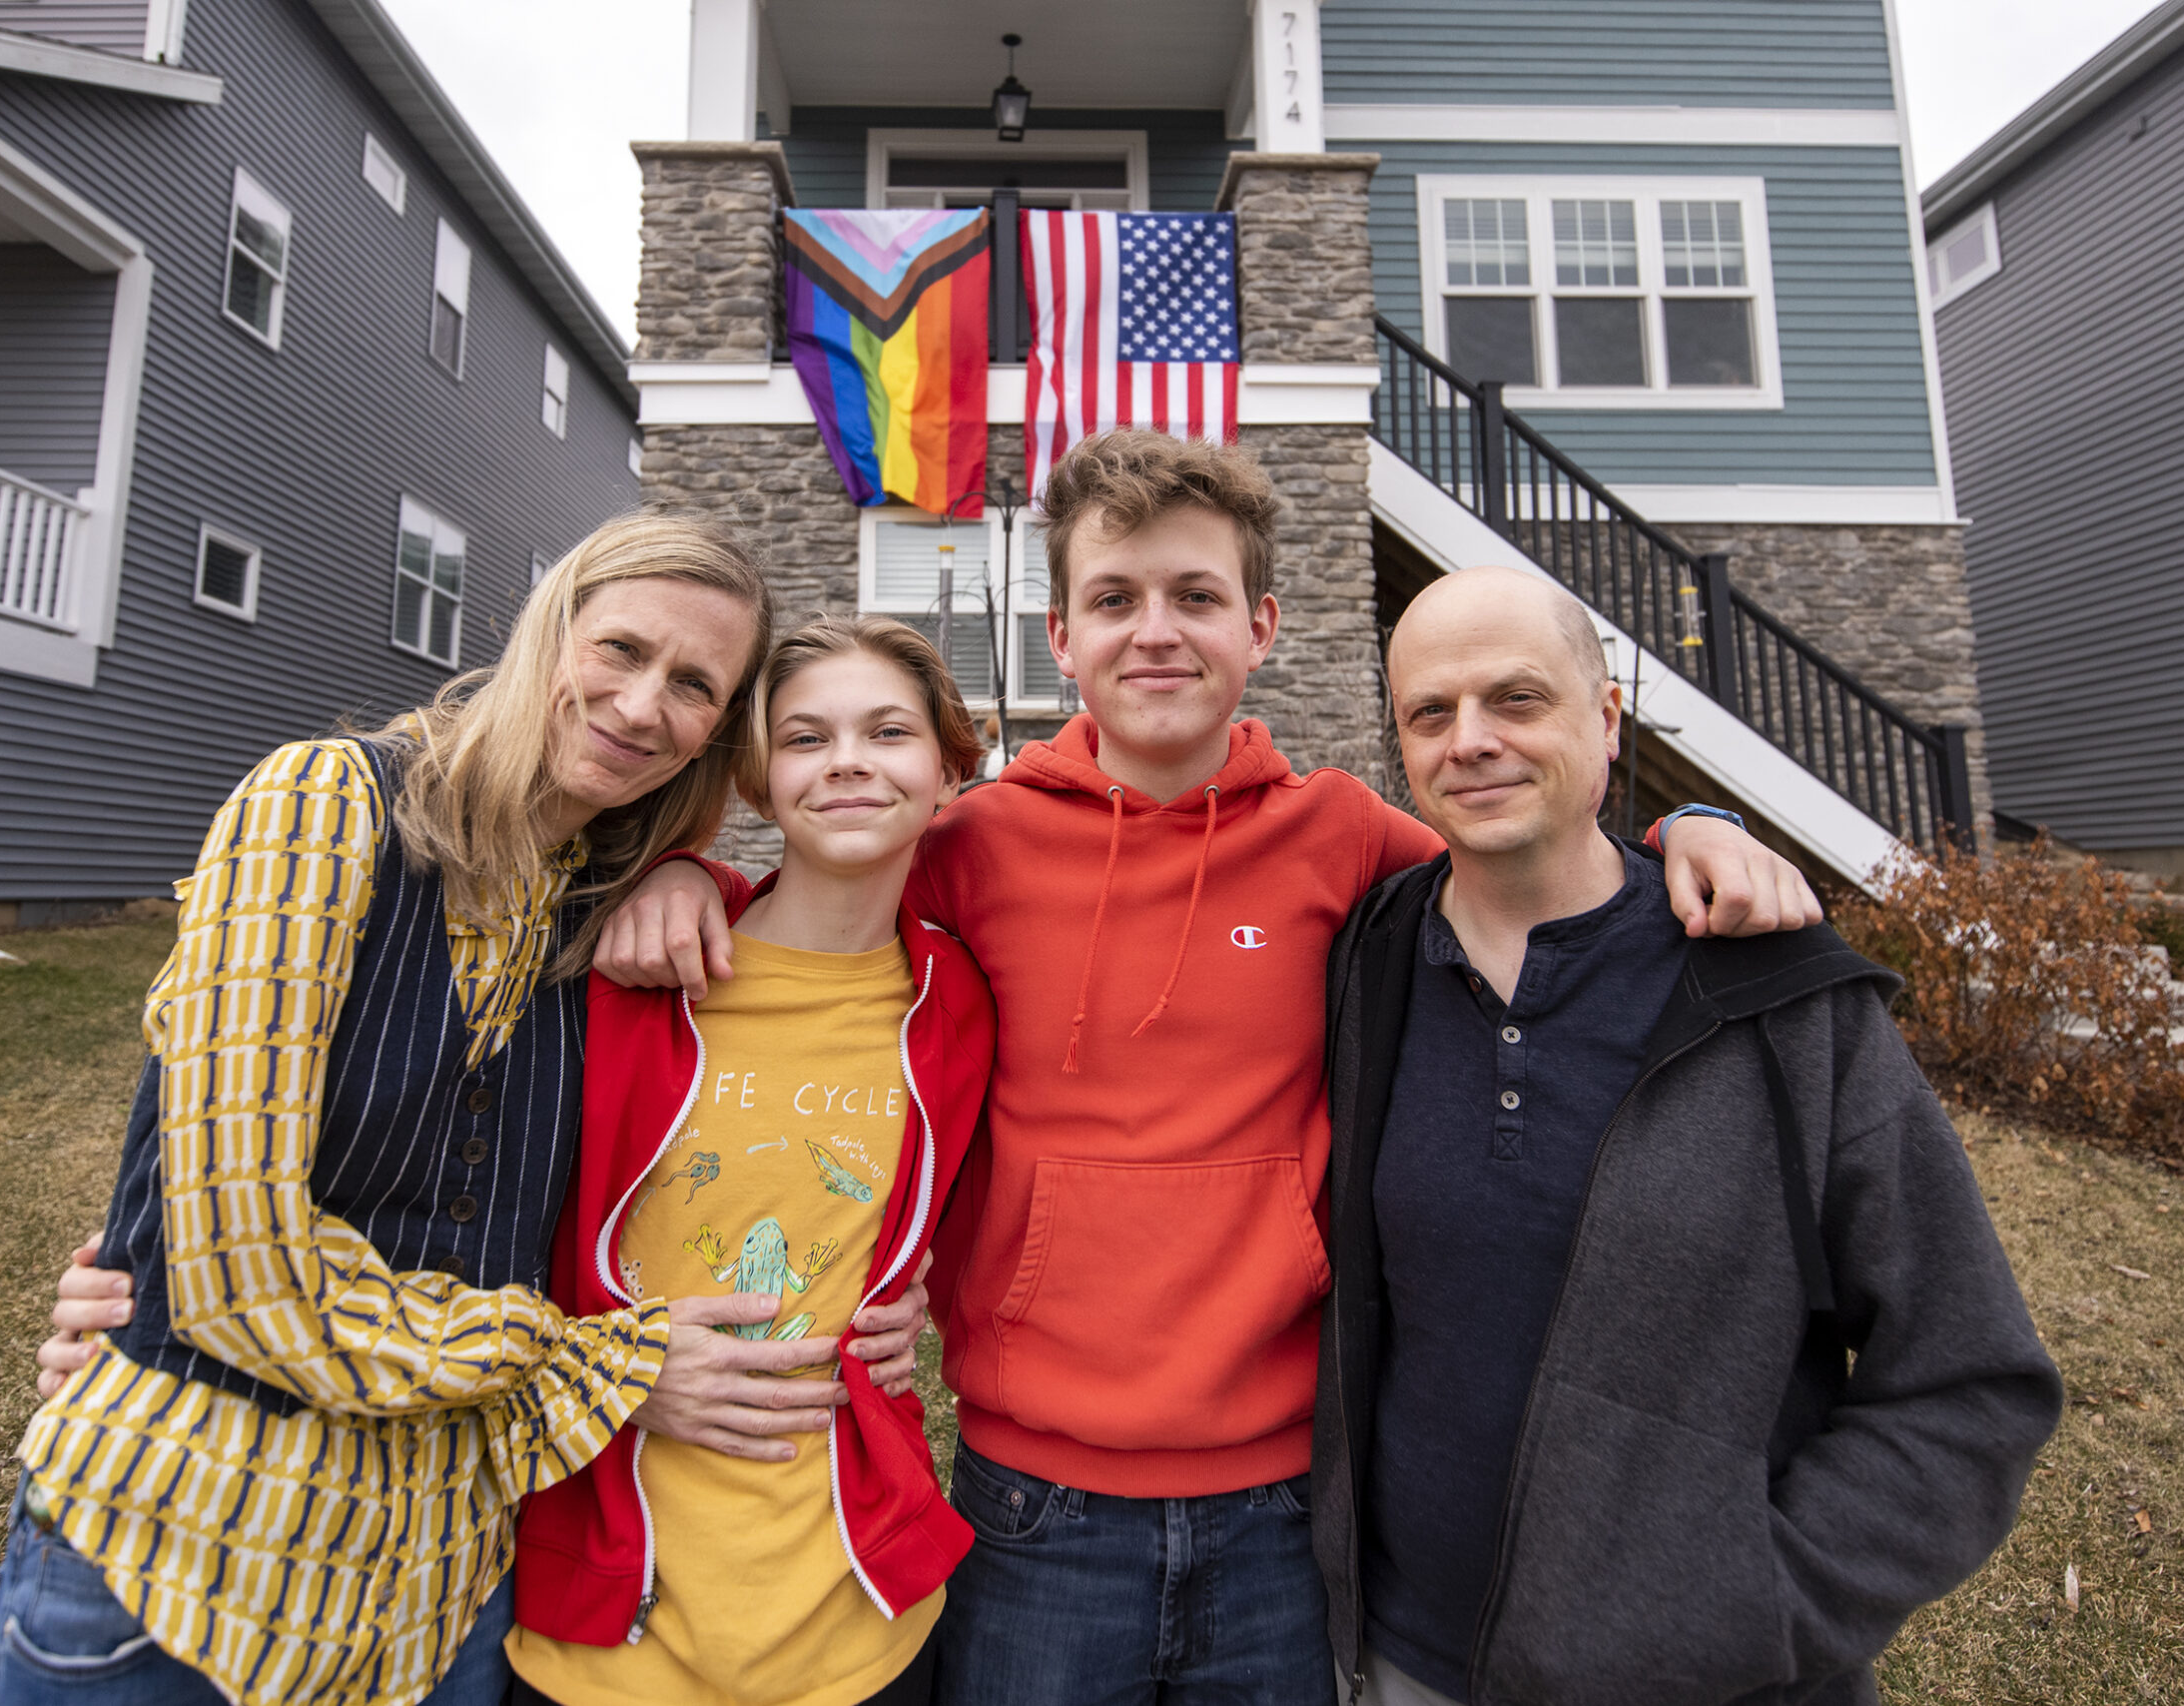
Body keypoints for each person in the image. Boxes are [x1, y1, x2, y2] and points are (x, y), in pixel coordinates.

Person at [594, 431, 1826, 1706]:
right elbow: (825, 888)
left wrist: (1692, 826)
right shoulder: (974, 844)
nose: (1156, 633)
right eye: (1114, 600)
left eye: (1195, 597)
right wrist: (694, 872)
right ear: (1062, 637)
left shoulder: (1341, 833)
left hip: (1279, 1499)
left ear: (1263, 624)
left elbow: (1518, 852)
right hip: (1034, 1496)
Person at [0, 516, 917, 1706]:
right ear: (547, 631)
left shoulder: (601, 914)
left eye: (693, 686)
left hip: (436, 1588)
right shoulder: (325, 805)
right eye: (620, 648)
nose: (640, 705)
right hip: (190, 1557)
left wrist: (694, 871)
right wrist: (606, 1368)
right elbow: (238, 1267)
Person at [1312, 565, 2063, 1706]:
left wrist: (1753, 1608)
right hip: (1397, 1662)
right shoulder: (1367, 962)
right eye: (1430, 711)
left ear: (1606, 716)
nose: (1470, 741)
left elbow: (1969, 1381)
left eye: (1515, 700)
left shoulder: (1779, 997)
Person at [502, 615, 998, 1706]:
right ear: (757, 777)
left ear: (950, 765)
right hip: (609, 1611)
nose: (851, 761)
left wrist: (911, 1289)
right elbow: (465, 1205)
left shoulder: (959, 1002)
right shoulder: (627, 967)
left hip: (857, 1615)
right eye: (806, 737)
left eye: (888, 731)